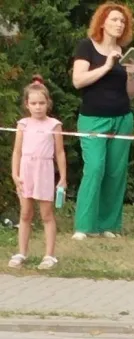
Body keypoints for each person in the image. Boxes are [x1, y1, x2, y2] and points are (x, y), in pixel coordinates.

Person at [71, 3, 134, 240]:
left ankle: (107, 224)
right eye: (114, 20)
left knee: (115, 172)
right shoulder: (87, 47)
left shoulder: (123, 51)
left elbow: (130, 94)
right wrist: (108, 65)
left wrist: (130, 74)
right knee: (95, 168)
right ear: (102, 23)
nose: (119, 24)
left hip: (122, 117)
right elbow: (78, 81)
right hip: (93, 118)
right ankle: (84, 226)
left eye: (122, 21)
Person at [8, 79, 67, 271]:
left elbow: (59, 153)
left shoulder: (54, 125)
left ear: (48, 103)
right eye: (33, 103)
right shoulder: (23, 124)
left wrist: (63, 178)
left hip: (44, 170)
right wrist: (15, 174)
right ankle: (21, 252)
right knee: (25, 213)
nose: (38, 107)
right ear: (27, 105)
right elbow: (17, 151)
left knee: (46, 214)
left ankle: (49, 255)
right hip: (26, 170)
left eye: (41, 103)